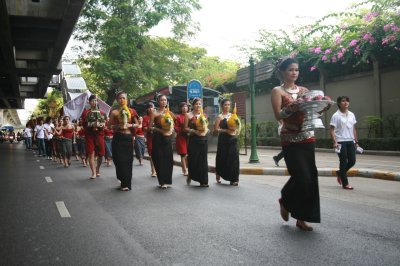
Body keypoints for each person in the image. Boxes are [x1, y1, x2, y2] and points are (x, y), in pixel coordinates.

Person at [271, 57, 330, 231]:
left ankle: (302, 218)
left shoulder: (304, 90)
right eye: (290, 69)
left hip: (307, 136)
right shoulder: (277, 91)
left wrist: (322, 106)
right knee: (301, 176)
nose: (294, 73)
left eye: (296, 69)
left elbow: (311, 110)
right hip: (289, 139)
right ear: (282, 72)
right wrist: (292, 107)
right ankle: (286, 199)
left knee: (310, 176)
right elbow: (278, 115)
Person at [108, 91, 140, 191]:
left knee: (128, 161)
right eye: (120, 98)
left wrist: (129, 125)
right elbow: (109, 126)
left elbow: (137, 124)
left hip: (128, 138)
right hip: (118, 138)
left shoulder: (132, 111)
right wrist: (118, 126)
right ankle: (122, 179)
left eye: (124, 98)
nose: (122, 100)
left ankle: (126, 184)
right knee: (118, 160)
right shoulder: (114, 112)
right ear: (117, 100)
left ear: (126, 99)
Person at [330, 96, 358, 190]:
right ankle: (345, 183)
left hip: (350, 141)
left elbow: (353, 128)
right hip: (340, 142)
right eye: (343, 101)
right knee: (343, 161)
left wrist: (356, 141)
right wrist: (335, 142)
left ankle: (340, 172)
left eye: (347, 101)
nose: (346, 103)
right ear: (339, 103)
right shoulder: (335, 115)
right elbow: (332, 130)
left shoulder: (351, 114)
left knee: (352, 161)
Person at [149, 94, 175, 189]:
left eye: (165, 100)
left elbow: (174, 125)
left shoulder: (170, 113)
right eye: (162, 100)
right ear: (158, 101)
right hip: (158, 138)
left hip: (167, 139)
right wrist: (159, 130)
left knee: (168, 159)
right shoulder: (154, 113)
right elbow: (149, 127)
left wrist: (171, 130)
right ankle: (162, 181)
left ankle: (167, 180)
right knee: (159, 159)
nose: (164, 102)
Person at [213, 98, 240, 185]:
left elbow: (237, 126)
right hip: (223, 140)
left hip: (233, 139)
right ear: (222, 106)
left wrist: (236, 130)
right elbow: (216, 130)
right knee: (222, 158)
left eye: (228, 104)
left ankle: (233, 179)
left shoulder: (233, 115)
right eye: (225, 105)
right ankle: (219, 174)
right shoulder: (219, 117)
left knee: (234, 159)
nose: (227, 106)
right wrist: (226, 131)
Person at [184, 98, 209, 187]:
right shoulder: (188, 115)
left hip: (204, 139)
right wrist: (194, 131)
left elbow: (207, 127)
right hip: (194, 140)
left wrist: (205, 131)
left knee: (203, 160)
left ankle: (204, 181)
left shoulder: (204, 115)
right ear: (193, 105)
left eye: (200, 104)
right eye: (196, 104)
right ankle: (191, 174)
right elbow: (185, 128)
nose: (198, 106)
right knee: (193, 160)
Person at [81, 94, 107, 179]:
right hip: (90, 135)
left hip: (99, 135)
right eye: (92, 101)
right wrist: (92, 125)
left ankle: (97, 169)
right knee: (91, 153)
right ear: (89, 102)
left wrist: (99, 125)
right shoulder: (86, 113)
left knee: (101, 154)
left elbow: (104, 124)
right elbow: (84, 124)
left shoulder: (102, 113)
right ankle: (93, 172)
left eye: (96, 101)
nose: (94, 102)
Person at [174, 102, 189, 176]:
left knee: (188, 154)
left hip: (190, 137)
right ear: (180, 108)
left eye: (186, 106)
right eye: (183, 107)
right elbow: (175, 127)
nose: (184, 108)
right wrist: (182, 129)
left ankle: (187, 167)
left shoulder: (190, 116)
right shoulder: (178, 117)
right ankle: (184, 170)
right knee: (183, 154)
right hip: (181, 137)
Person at [142, 102, 157, 177]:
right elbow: (144, 127)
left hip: (158, 138)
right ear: (147, 109)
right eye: (149, 107)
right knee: (151, 155)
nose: (151, 109)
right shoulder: (145, 118)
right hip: (150, 138)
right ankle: (153, 170)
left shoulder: (157, 116)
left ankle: (158, 169)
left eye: (152, 107)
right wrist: (149, 129)